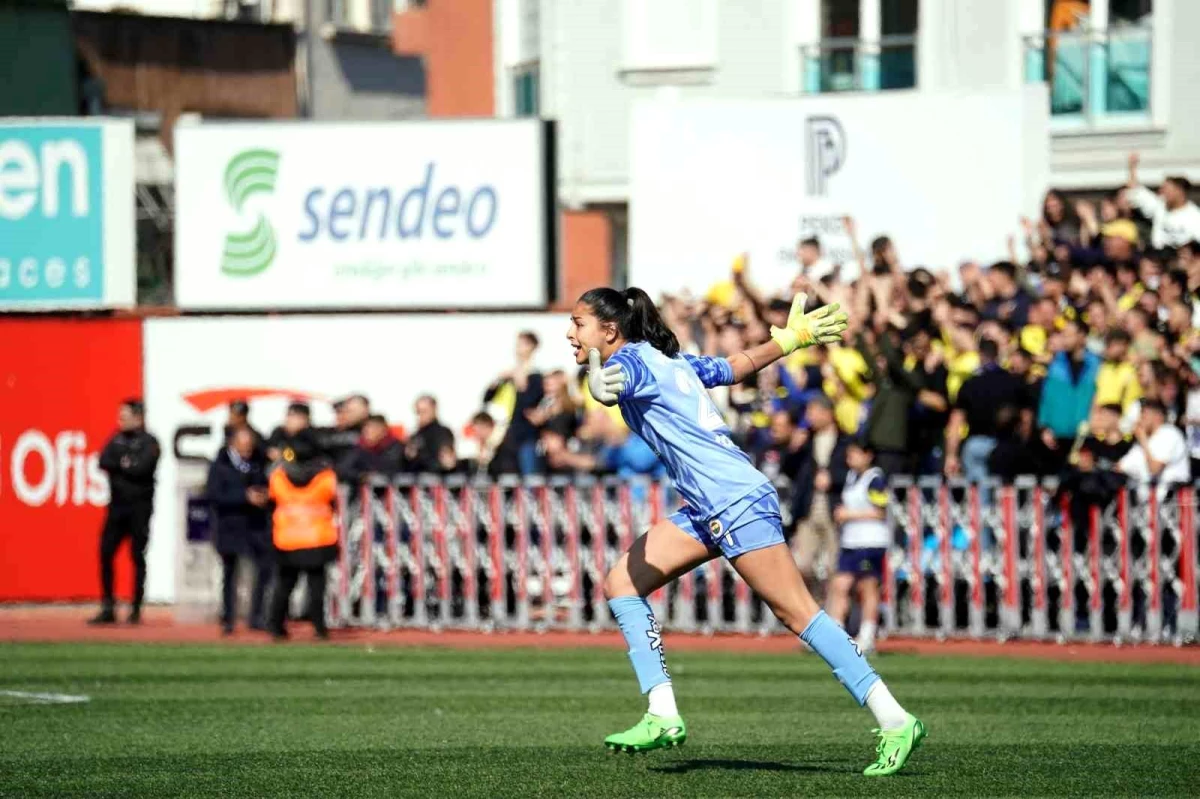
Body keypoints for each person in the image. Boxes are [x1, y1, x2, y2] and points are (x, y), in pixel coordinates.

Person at [572, 286, 924, 776]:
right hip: (707, 504)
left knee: (799, 613)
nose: (571, 333)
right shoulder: (667, 361)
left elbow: (605, 389)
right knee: (622, 582)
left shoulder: (630, 362)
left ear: (609, 331)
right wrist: (792, 339)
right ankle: (662, 713)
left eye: (579, 324)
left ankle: (895, 719)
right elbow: (733, 367)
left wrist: (592, 370)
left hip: (732, 500)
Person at [90, 399, 161, 625]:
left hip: (139, 508)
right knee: (105, 552)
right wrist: (124, 464)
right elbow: (103, 461)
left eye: (125, 416)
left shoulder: (149, 442)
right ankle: (108, 606)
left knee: (137, 556)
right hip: (117, 508)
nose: (120, 420)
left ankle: (135, 608)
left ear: (138, 418)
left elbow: (142, 468)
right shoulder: (116, 439)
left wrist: (122, 466)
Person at [266, 430, 339, 640]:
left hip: (287, 538)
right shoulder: (326, 476)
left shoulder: (279, 475)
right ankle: (319, 628)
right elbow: (333, 499)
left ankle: (276, 627)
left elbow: (272, 500)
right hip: (318, 538)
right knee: (316, 588)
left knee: (284, 586)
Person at [205, 427, 272, 634]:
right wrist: (244, 496)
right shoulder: (220, 466)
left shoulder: (257, 463)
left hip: (255, 526)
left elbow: (266, 484)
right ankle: (228, 618)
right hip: (230, 526)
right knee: (230, 574)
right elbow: (214, 495)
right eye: (243, 445)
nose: (247, 449)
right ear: (233, 444)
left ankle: (257, 615)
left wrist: (263, 496)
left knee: (264, 568)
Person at [826, 441, 889, 656]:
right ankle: (835, 635)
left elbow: (881, 511)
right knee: (839, 585)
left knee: (867, 587)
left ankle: (868, 635)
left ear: (868, 455)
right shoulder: (851, 477)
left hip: (870, 541)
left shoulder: (875, 479)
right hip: (851, 541)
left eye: (854, 454)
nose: (849, 458)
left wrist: (848, 514)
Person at [945, 339, 1029, 482]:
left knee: (978, 493)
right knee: (1003, 490)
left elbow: (956, 423)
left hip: (976, 444)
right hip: (1006, 444)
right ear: (998, 355)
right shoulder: (1013, 383)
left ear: (980, 355)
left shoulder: (970, 385)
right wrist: (1023, 445)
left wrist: (951, 455)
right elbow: (1026, 418)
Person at [790, 395, 850, 591]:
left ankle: (831, 613)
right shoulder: (806, 441)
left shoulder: (845, 441)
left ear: (828, 413)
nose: (809, 417)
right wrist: (793, 449)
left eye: (813, 412)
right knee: (801, 565)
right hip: (808, 509)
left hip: (834, 508)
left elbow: (854, 471)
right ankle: (811, 606)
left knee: (834, 567)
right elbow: (789, 470)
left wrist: (833, 479)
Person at [484, 331, 545, 475]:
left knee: (529, 476)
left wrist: (521, 384)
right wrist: (497, 380)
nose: (517, 348)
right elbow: (487, 399)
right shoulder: (508, 376)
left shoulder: (536, 376)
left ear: (532, 347)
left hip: (526, 437)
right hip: (507, 435)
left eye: (522, 344)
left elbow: (529, 406)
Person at [1125, 153, 1200, 250]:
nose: (1162, 192)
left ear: (1179, 191)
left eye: (1167, 189)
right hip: (1157, 258)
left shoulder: (1195, 216)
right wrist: (1132, 167)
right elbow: (1135, 191)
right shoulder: (1160, 206)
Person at [337, 414, 405, 484]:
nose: (368, 432)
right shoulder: (359, 447)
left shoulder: (395, 447)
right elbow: (343, 469)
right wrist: (361, 476)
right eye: (366, 428)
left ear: (384, 431)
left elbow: (392, 468)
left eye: (374, 428)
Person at [405, 395, 456, 474]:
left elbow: (446, 462)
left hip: (437, 481)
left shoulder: (443, 433)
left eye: (424, 411)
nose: (420, 416)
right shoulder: (415, 436)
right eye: (418, 412)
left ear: (434, 410)